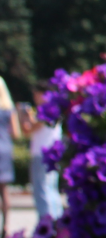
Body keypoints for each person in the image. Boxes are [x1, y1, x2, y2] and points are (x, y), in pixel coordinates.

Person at [21, 90, 62, 220]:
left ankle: (47, 222)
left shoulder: (46, 111)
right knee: (51, 189)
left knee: (41, 190)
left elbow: (29, 129)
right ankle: (57, 220)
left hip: (41, 154)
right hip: (53, 153)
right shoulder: (56, 109)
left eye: (36, 94)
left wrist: (25, 116)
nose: (35, 98)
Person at [0, 79, 14, 235]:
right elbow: (15, 133)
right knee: (4, 191)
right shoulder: (8, 109)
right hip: (4, 148)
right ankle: (5, 226)